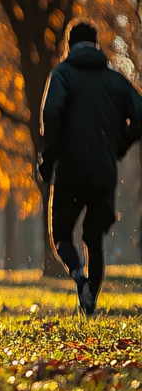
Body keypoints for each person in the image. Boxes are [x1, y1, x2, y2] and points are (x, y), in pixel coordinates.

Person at [40, 21, 142, 313]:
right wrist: (118, 145)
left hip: (69, 170)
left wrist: (49, 156)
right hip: (103, 171)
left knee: (61, 235)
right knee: (93, 238)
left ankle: (78, 277)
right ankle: (90, 302)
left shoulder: (62, 75)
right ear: (97, 44)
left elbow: (52, 114)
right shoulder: (115, 80)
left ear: (69, 44)